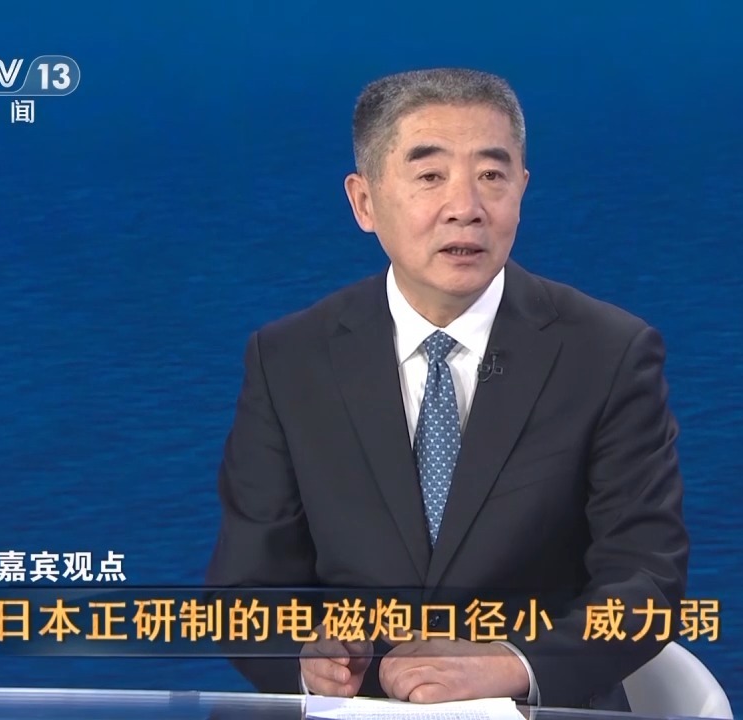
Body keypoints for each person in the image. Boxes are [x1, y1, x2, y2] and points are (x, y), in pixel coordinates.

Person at [204, 67, 689, 710]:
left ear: (522, 189)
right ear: (364, 202)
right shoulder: (289, 359)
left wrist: (513, 663)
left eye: (491, 175)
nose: (466, 207)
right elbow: (247, 591)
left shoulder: (609, 352)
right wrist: (306, 658)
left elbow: (646, 581)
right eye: (430, 176)